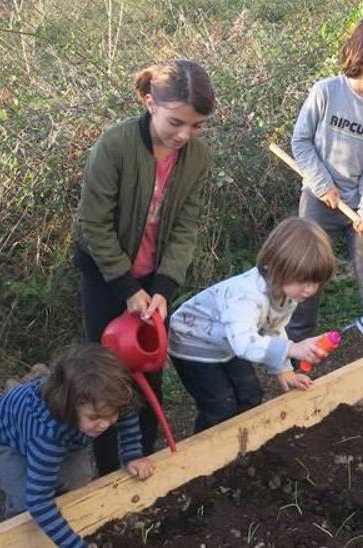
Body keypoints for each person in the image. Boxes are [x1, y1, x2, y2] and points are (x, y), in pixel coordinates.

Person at [72, 59, 215, 475]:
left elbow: (187, 225)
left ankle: (142, 458)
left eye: (197, 126)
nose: (185, 135)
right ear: (149, 102)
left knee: (149, 370)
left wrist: (163, 289)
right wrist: (126, 287)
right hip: (106, 278)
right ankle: (106, 467)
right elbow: (94, 225)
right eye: (176, 122)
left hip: (153, 281)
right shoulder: (114, 146)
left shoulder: (197, 157)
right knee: (104, 374)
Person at [287, 15, 363, 350]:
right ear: (362, 53)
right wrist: (322, 183)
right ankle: (296, 344)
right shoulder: (326, 92)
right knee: (308, 271)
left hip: (360, 204)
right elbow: (301, 142)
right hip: (318, 198)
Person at [0, 344, 155, 548]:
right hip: (1, 437)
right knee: (25, 502)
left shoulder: (104, 400)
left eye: (110, 415)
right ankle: (19, 540)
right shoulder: (48, 435)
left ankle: (69, 524)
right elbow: (38, 501)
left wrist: (132, 454)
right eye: (95, 417)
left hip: (67, 432)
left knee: (77, 481)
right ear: (68, 406)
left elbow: (126, 413)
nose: (105, 424)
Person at [168, 218, 336, 432]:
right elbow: (244, 344)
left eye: (315, 282)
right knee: (220, 406)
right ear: (276, 266)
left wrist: (284, 370)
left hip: (227, 341)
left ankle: (241, 444)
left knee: (250, 395)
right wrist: (293, 349)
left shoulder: (287, 293)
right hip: (192, 342)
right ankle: (205, 455)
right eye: (303, 280)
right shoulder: (247, 296)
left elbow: (274, 328)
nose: (309, 290)